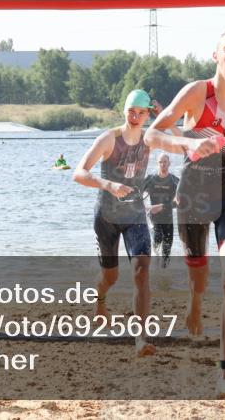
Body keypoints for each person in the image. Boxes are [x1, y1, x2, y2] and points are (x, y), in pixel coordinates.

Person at [143, 28, 225, 399]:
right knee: (199, 277)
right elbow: (153, 134)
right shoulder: (197, 93)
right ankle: (195, 301)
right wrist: (188, 142)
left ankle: (224, 374)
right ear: (215, 55)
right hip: (193, 196)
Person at [73, 89, 159, 357]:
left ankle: (141, 338)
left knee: (141, 271)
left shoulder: (150, 139)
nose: (134, 117)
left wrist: (166, 112)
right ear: (124, 111)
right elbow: (79, 173)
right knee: (111, 276)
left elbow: (183, 140)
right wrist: (106, 183)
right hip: (107, 217)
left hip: (135, 215)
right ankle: (99, 302)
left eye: (140, 112)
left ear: (148, 114)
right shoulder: (109, 139)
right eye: (130, 111)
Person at [141, 153, 179, 268]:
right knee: (157, 238)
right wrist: (145, 208)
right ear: (157, 164)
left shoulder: (174, 181)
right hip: (154, 218)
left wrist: (162, 206)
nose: (163, 164)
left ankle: (163, 276)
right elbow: (136, 194)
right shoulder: (150, 179)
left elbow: (179, 201)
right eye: (160, 162)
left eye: (165, 162)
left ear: (169, 163)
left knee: (167, 250)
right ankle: (153, 265)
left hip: (168, 219)